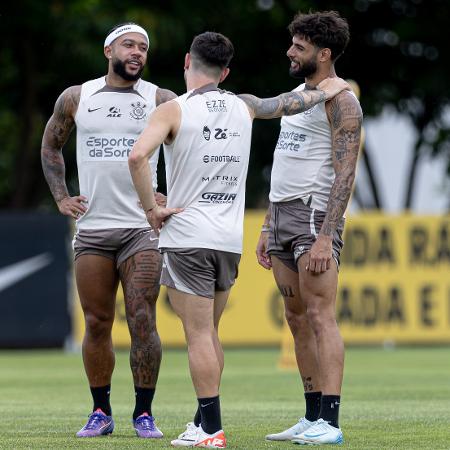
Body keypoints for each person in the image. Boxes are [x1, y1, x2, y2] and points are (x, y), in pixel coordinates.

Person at [128, 31, 349, 448]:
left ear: (186, 62)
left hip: (188, 235)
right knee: (209, 334)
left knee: (198, 336)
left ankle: (211, 428)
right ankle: (201, 422)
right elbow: (287, 102)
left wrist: (151, 208)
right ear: (226, 71)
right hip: (228, 239)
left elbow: (137, 156)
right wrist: (327, 89)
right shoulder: (244, 105)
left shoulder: (173, 108)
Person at [41, 22, 177, 438]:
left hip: (141, 228)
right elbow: (51, 145)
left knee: (142, 319)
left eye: (143, 47)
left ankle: (144, 414)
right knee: (97, 322)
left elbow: (190, 150)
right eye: (128, 45)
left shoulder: (161, 98)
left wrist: (168, 195)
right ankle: (100, 412)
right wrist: (62, 197)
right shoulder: (78, 97)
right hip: (94, 229)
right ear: (108, 50)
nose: (137, 52)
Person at [256, 11, 363, 445]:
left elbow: (346, 173)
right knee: (296, 318)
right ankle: (311, 415)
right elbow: (286, 160)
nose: (289, 52)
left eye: (298, 47)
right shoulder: (301, 94)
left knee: (321, 316)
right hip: (281, 215)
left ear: (323, 53)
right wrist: (267, 222)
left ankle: (331, 424)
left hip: (313, 218)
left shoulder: (343, 100)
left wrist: (325, 235)